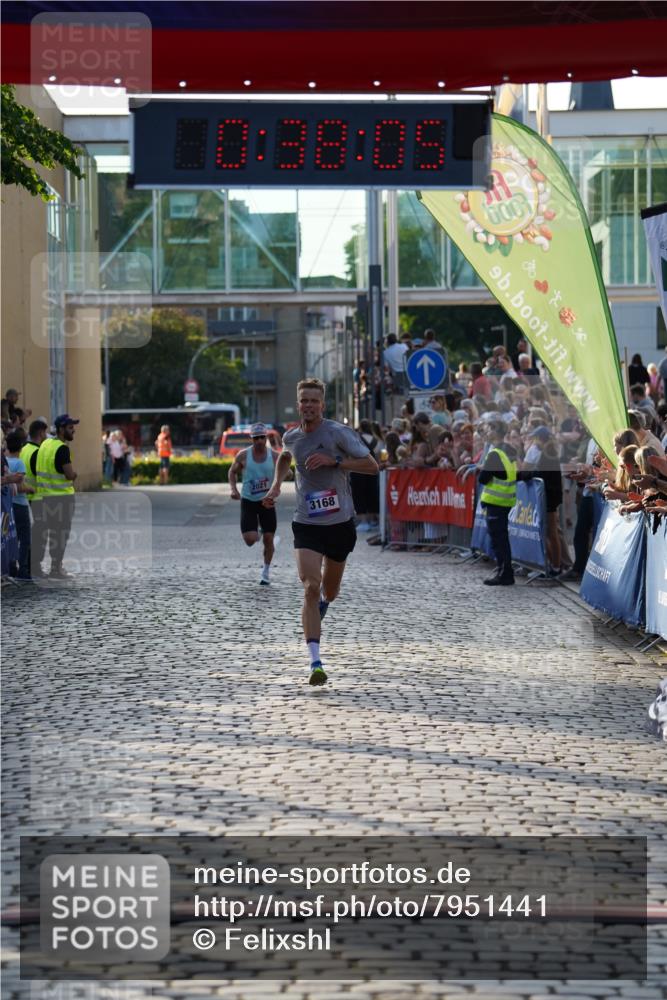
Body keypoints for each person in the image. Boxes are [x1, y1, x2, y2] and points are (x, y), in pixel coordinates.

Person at [263, 377, 378, 686]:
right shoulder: (292, 437)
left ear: (322, 405)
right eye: (304, 400)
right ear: (298, 403)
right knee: (310, 588)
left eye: (314, 400)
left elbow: (372, 466)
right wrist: (276, 485)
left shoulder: (338, 433)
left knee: (330, 592)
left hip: (340, 524)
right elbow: (286, 457)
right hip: (307, 523)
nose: (309, 405)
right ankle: (315, 662)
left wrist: (335, 460)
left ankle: (323, 605)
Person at [475, 420, 533, 586]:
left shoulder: (495, 454)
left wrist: (484, 469)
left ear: (495, 431)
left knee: (498, 541)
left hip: (495, 502)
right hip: (506, 501)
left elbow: (483, 478)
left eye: (488, 430)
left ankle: (505, 573)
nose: (486, 433)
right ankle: (504, 571)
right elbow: (516, 473)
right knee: (502, 539)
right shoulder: (511, 450)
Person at [228, 422, 280, 585]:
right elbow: (232, 471)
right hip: (249, 501)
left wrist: (279, 482)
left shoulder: (274, 456)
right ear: (251, 439)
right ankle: (258, 531)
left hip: (267, 502)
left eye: (262, 438)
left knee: (269, 539)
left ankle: (265, 572)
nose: (259, 441)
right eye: (256, 438)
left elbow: (288, 471)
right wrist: (233, 490)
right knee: (250, 540)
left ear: (266, 438)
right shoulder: (243, 456)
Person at [35, 414, 78, 578]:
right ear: (61, 429)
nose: (73, 430)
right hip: (62, 498)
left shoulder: (46, 444)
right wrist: (75, 475)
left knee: (52, 533)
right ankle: (56, 568)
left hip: (46, 497)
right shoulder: (62, 448)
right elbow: (68, 474)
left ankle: (49, 567)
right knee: (61, 534)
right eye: (70, 427)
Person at [20, 418, 48, 576]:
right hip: (37, 497)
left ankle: (27, 565)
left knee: (27, 534)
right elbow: (41, 476)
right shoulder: (37, 452)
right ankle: (35, 567)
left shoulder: (24, 449)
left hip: (24, 496)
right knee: (39, 534)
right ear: (40, 432)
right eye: (44, 433)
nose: (46, 436)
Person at [5, 428, 33, 580]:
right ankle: (23, 569)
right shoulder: (19, 463)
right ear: (21, 447)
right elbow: (20, 487)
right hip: (20, 505)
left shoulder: (5, 461)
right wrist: (31, 488)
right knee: (25, 538)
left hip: (8, 505)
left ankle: (10, 567)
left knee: (10, 536)